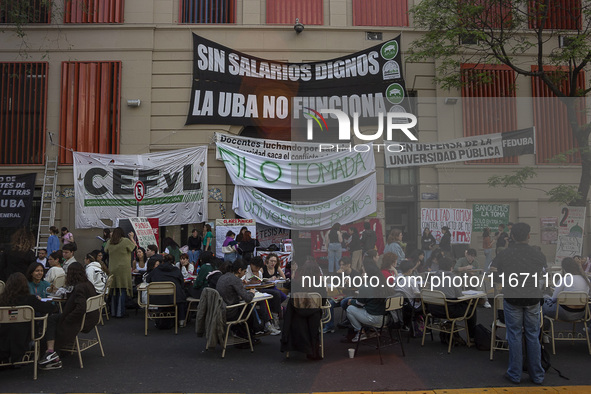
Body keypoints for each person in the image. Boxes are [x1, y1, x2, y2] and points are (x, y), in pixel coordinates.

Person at [491, 222, 546, 385]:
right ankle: (537, 375)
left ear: (512, 236)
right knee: (533, 335)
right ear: (528, 236)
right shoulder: (538, 254)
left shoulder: (504, 254)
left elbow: (494, 274)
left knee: (514, 335)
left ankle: (514, 374)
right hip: (533, 298)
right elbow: (543, 276)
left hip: (512, 297)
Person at [38, 262, 99, 370]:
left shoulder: (79, 287)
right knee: (52, 319)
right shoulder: (87, 284)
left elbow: (80, 308)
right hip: (91, 318)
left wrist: (67, 319)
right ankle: (51, 352)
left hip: (78, 320)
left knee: (51, 321)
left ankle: (50, 352)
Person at [0, 273, 57, 364]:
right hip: (25, 334)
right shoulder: (29, 299)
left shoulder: (2, 300)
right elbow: (50, 308)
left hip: (3, 334)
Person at [428, 257, 477, 343]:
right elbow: (459, 296)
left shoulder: (432, 277)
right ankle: (472, 337)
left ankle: (450, 331)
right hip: (449, 311)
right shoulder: (454, 278)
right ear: (451, 267)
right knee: (472, 309)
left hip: (433, 310)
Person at [345, 257, 391, 343]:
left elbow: (359, 304)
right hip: (387, 318)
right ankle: (372, 331)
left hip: (374, 318)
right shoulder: (384, 283)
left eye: (363, 271)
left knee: (349, 309)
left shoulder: (366, 286)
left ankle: (360, 332)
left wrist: (351, 301)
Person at [215, 258, 256, 339]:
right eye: (244, 271)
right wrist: (252, 292)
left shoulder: (223, 276)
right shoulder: (235, 280)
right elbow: (247, 298)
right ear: (239, 270)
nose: (245, 274)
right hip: (230, 312)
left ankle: (242, 332)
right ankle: (251, 334)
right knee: (249, 308)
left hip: (220, 309)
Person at [542, 257, 591, 322]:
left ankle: (543, 329)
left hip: (564, 312)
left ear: (564, 269)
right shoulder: (586, 280)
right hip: (581, 313)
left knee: (543, 302)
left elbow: (554, 299)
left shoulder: (564, 280)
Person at [147, 254, 188, 328]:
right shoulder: (176, 270)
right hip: (174, 298)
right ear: (174, 262)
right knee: (181, 295)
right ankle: (181, 320)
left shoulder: (156, 270)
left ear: (162, 262)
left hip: (157, 298)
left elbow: (148, 279)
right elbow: (182, 284)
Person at [104, 227, 136, 318]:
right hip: (123, 269)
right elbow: (134, 247)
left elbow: (105, 250)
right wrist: (132, 238)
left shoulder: (109, 242)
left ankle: (113, 312)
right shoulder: (125, 241)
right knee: (122, 289)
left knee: (114, 290)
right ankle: (120, 312)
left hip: (112, 268)